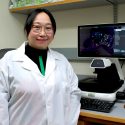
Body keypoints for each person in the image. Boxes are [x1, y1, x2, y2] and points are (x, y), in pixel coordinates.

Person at [0, 8, 81, 125]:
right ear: (27, 30)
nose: (43, 33)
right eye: (37, 27)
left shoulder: (62, 61)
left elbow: (74, 94)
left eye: (48, 28)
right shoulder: (9, 61)